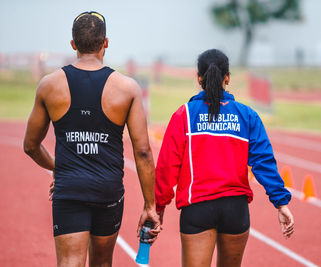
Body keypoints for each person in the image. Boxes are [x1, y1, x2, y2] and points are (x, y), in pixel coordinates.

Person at [23, 11, 160, 267]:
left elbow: (30, 145)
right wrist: (150, 205)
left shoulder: (49, 85)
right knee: (102, 263)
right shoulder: (127, 88)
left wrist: (59, 167)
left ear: (73, 44)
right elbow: (143, 152)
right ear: (105, 43)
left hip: (69, 190)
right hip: (107, 190)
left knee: (70, 262)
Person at [155, 49, 294, 267]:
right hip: (235, 209)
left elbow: (167, 166)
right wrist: (281, 203)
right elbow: (264, 162)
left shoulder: (184, 115)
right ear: (227, 78)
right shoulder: (247, 115)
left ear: (199, 78)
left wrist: (158, 206)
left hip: (197, 208)